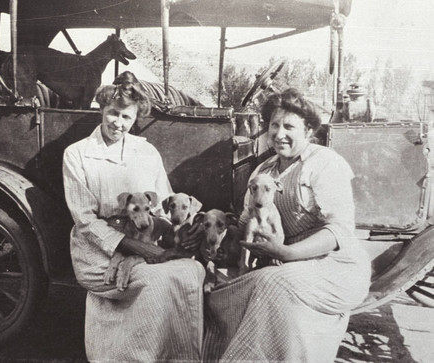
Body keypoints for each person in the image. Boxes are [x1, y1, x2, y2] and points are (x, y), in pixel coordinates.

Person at [203, 88, 371, 362]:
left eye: (289, 126)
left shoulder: (325, 163)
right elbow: (246, 221)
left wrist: (286, 253)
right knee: (222, 295)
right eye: (274, 125)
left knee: (270, 284)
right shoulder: (263, 171)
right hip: (285, 265)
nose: (280, 134)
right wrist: (217, 240)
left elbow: (339, 231)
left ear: (308, 130)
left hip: (336, 267)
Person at [62, 71, 205, 362]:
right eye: (113, 113)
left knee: (192, 271)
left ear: (135, 118)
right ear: (101, 109)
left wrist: (182, 234)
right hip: (99, 250)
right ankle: (133, 356)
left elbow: (164, 205)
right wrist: (138, 248)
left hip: (146, 240)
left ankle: (179, 356)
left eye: (127, 117)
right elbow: (85, 220)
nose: (118, 123)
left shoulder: (146, 151)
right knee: (156, 280)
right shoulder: (77, 154)